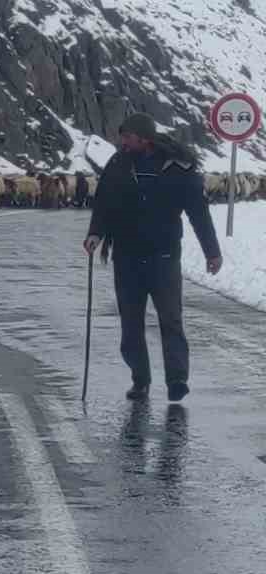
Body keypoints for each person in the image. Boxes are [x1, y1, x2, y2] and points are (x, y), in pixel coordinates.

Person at [84, 112, 223, 402]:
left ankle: (176, 380)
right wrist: (95, 234)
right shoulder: (119, 164)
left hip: (164, 256)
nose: (123, 141)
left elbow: (198, 212)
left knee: (171, 319)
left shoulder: (179, 168)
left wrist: (212, 251)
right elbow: (104, 203)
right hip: (127, 257)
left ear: (143, 138)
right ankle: (140, 380)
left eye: (128, 137)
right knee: (131, 323)